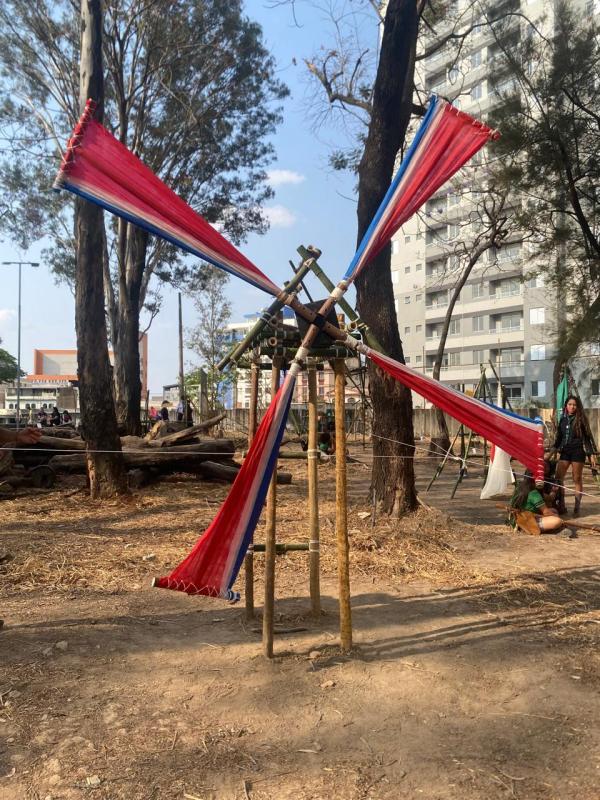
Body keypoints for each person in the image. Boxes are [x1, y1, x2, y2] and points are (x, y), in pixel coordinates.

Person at [553, 395, 596, 516]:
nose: (572, 407)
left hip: (577, 451)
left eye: (574, 405)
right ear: (566, 406)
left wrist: (591, 454)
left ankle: (577, 507)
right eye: (570, 404)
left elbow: (587, 438)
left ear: (577, 407)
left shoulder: (581, 419)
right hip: (565, 451)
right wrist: (551, 452)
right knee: (558, 478)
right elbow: (559, 439)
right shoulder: (563, 419)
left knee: (577, 478)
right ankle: (561, 504)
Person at [510, 470, 566, 535]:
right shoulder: (534, 493)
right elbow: (546, 512)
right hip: (526, 520)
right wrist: (558, 518)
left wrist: (553, 492)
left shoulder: (519, 486)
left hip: (517, 518)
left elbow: (548, 499)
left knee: (554, 511)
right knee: (557, 521)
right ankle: (530, 528)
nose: (543, 481)